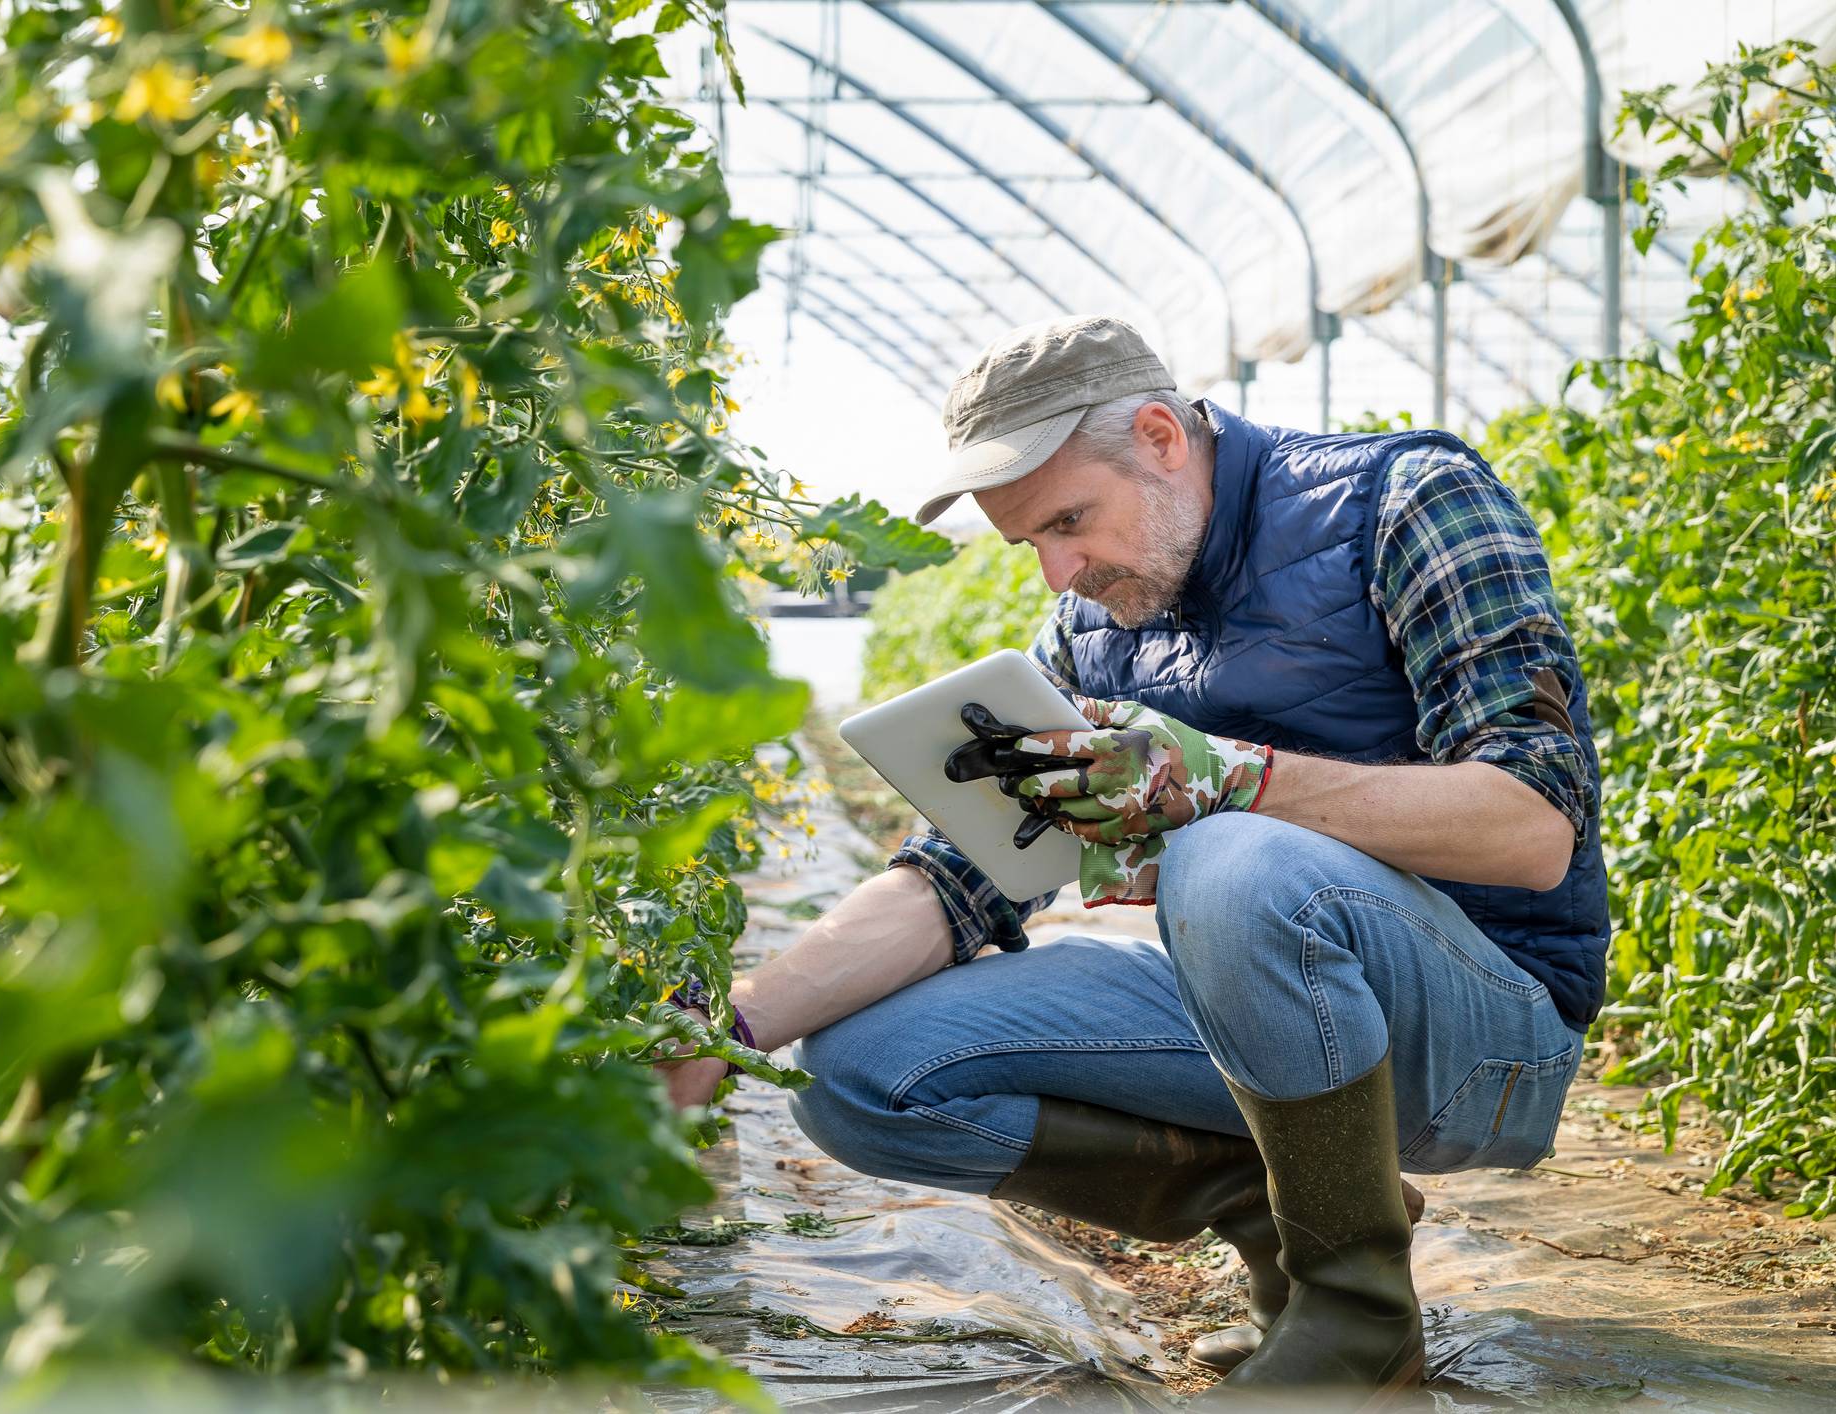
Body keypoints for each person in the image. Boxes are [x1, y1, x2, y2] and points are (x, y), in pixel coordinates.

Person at [658, 316, 1608, 1403]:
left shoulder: (1405, 502)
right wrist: (730, 1032)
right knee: (854, 1075)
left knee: (1229, 860)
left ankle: (1358, 1319)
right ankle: (1285, 1210)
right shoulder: (1089, 629)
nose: (1061, 569)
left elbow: (1536, 828)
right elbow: (959, 882)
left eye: (1071, 520)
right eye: (1033, 545)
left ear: (1161, 435)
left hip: (1488, 1029)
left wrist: (1227, 776)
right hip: (1273, 1007)